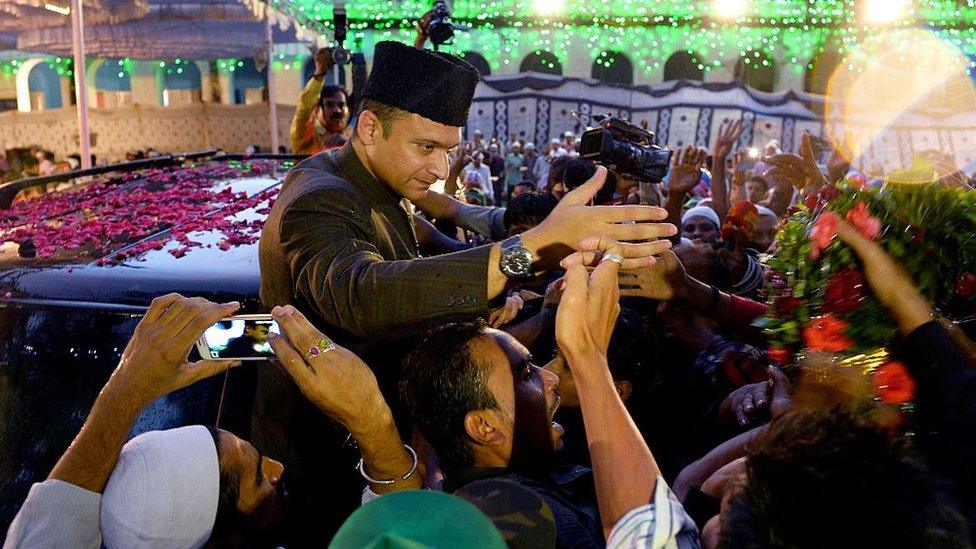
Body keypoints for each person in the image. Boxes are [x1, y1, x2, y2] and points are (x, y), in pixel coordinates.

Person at [257, 40, 675, 540]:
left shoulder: (383, 188)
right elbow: (360, 292)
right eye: (426, 147)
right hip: (323, 466)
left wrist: (540, 249)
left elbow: (443, 248)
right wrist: (528, 247)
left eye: (449, 151)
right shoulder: (320, 199)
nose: (439, 169)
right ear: (369, 128)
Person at [290, 46, 351, 155]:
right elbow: (304, 107)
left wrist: (348, 144)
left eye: (341, 105)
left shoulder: (353, 136)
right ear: (317, 110)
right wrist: (319, 73)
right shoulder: (306, 135)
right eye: (329, 104)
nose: (337, 110)